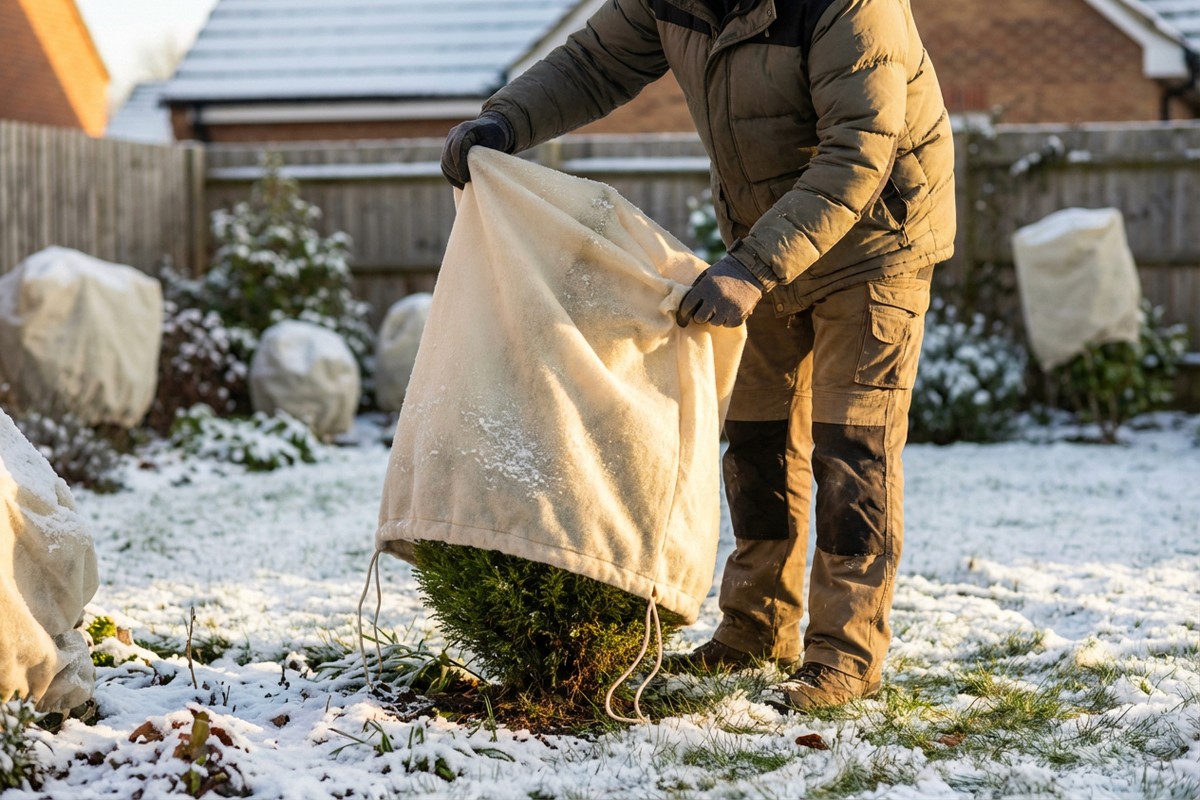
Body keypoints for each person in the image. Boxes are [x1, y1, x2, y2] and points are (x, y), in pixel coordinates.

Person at [439, 0, 955, 711]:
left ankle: (845, 655)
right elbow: (595, 62)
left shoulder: (850, 6)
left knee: (851, 448)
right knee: (757, 440)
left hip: (876, 243)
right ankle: (755, 628)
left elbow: (859, 150)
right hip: (767, 235)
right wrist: (504, 121)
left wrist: (752, 268)